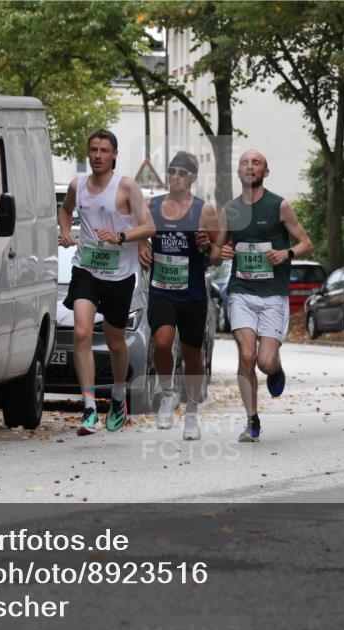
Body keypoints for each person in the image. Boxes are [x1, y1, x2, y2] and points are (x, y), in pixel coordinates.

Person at [58, 129, 156, 436]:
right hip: (86, 268)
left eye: (103, 150)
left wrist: (121, 237)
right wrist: (65, 232)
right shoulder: (77, 186)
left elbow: (149, 226)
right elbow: (65, 211)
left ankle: (117, 395)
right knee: (82, 333)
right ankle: (89, 409)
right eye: (93, 150)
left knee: (115, 342)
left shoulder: (126, 186)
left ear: (114, 155)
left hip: (120, 273)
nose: (98, 155)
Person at [216, 150, 314, 442]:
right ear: (238, 172)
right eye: (245, 163)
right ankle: (252, 420)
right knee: (246, 355)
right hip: (241, 292)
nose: (250, 166)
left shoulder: (279, 206)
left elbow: (306, 243)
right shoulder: (230, 210)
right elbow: (214, 252)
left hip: (272, 295)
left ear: (265, 172)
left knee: (264, 362)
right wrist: (220, 251)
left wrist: (287, 253)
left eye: (256, 163)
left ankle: (276, 368)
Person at [137, 151, 220, 440]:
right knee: (162, 342)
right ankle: (168, 393)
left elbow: (218, 255)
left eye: (182, 173)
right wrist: (142, 246)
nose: (175, 177)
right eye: (172, 171)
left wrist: (208, 246)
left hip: (192, 293)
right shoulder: (152, 205)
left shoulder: (204, 211)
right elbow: (139, 232)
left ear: (193, 177)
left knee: (192, 355)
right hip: (161, 289)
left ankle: (193, 411)